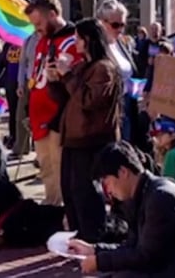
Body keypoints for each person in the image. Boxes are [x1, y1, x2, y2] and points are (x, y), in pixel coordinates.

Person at [67, 141, 175, 276]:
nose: (108, 191)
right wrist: (94, 250)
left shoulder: (159, 198)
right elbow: (134, 246)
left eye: (107, 183)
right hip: (174, 265)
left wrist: (99, 261)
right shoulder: (144, 193)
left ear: (123, 172)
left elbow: (145, 256)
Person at [47, 17, 121, 242]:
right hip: (73, 136)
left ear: (88, 40)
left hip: (91, 138)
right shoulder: (82, 66)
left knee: (85, 190)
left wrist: (67, 75)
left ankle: (92, 236)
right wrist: (55, 80)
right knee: (69, 189)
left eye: (78, 38)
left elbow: (89, 101)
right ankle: (78, 233)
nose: (75, 42)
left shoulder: (104, 69)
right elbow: (67, 97)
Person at [24, 0, 79, 205]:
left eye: (39, 23)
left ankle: (63, 211)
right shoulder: (42, 41)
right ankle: (50, 205)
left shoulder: (71, 40)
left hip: (58, 116)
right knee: (45, 166)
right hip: (39, 115)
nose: (36, 29)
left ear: (53, 15)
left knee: (60, 167)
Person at [96, 0, 139, 144]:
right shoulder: (98, 48)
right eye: (115, 25)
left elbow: (131, 72)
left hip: (128, 104)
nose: (120, 29)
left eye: (122, 24)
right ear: (102, 22)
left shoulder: (121, 43)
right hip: (109, 109)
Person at [12, 31, 40, 159]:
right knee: (21, 116)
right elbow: (22, 63)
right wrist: (20, 84)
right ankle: (21, 148)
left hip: (43, 82)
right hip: (29, 82)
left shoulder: (49, 39)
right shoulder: (29, 39)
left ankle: (40, 153)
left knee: (39, 118)